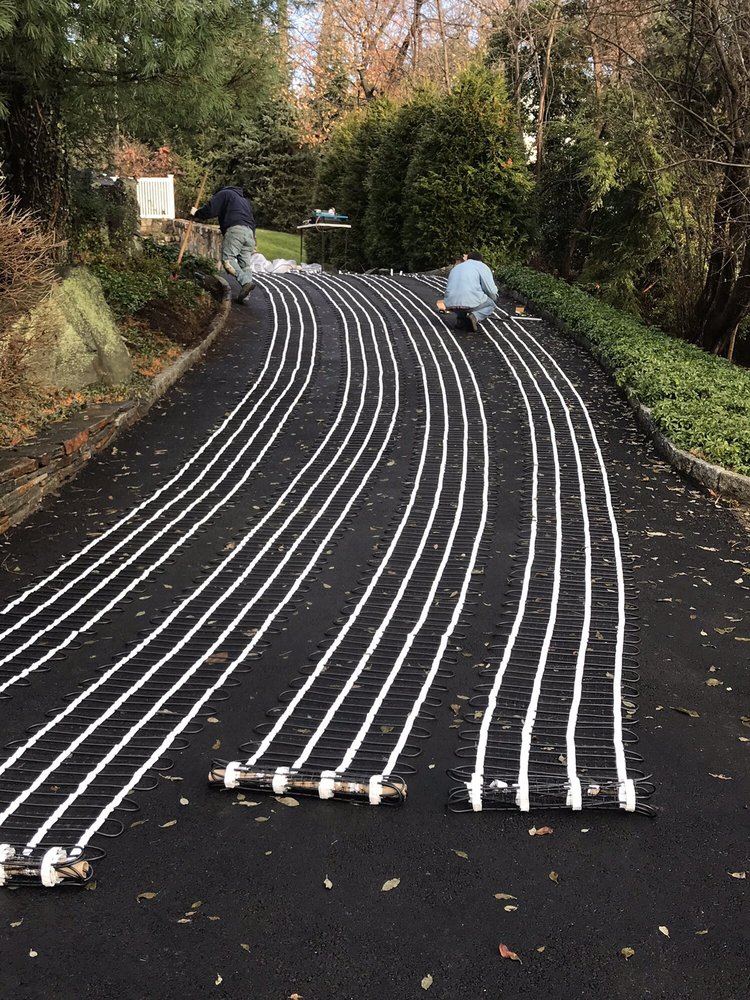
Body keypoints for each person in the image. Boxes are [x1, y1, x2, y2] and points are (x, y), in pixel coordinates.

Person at [192, 186, 257, 302]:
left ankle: (246, 282)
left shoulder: (224, 194)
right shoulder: (243, 201)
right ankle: (246, 295)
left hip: (235, 230)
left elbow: (211, 210)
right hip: (249, 233)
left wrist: (196, 213)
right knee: (245, 265)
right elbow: (252, 220)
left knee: (228, 260)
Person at [443, 251, 498, 332]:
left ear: (468, 258)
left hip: (450, 303)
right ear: (480, 260)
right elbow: (491, 290)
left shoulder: (457, 267)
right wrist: (494, 298)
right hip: (469, 302)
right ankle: (475, 317)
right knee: (491, 305)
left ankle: (461, 320)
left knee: (462, 300)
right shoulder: (482, 266)